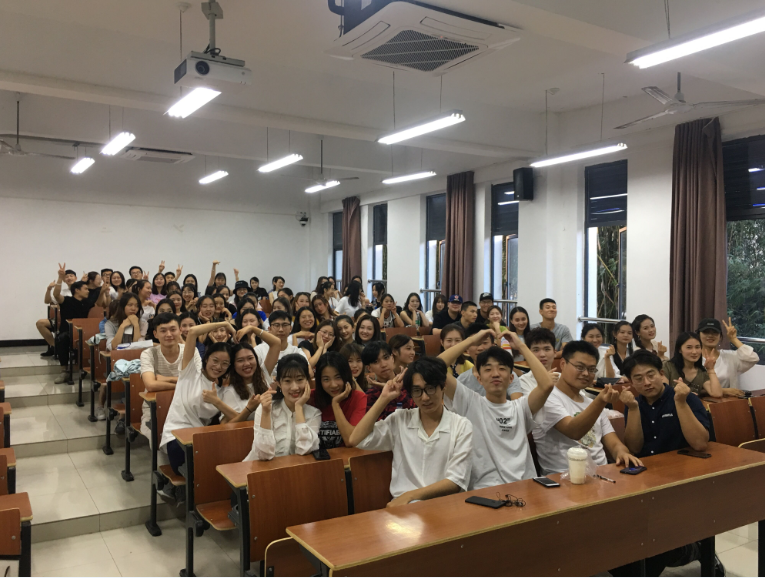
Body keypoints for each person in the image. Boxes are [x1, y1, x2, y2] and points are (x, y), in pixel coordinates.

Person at [346, 358, 473, 507]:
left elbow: (456, 481)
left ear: (443, 386)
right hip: (404, 511)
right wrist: (384, 398)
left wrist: (410, 495)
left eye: (430, 388)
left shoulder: (461, 425)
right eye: (417, 391)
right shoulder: (400, 420)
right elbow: (356, 439)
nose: (425, 397)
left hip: (444, 507)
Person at [441, 332, 554, 488]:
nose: (495, 374)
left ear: (511, 378)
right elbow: (436, 366)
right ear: (479, 379)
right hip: (485, 490)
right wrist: (471, 340)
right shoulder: (470, 402)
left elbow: (547, 385)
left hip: (525, 487)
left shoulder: (521, 407)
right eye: (488, 370)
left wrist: (521, 346)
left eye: (501, 368)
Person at [532, 341, 643, 474]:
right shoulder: (547, 398)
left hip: (601, 474)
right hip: (563, 477)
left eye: (591, 369)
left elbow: (614, 443)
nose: (586, 373)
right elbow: (573, 431)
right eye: (580, 367)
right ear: (563, 364)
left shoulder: (591, 402)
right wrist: (600, 401)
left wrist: (622, 453)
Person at [160, 321, 236, 475]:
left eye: (225, 363)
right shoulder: (190, 373)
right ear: (206, 359)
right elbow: (193, 332)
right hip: (176, 438)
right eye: (215, 360)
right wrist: (224, 323)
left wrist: (216, 402)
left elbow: (236, 417)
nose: (218, 367)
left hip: (201, 440)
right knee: (204, 469)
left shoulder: (223, 390)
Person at [620, 350, 710, 458]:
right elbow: (634, 448)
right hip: (646, 464)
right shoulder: (633, 404)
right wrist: (633, 409)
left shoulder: (686, 398)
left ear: (661, 374)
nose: (647, 383)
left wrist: (681, 403)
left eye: (651, 375)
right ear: (631, 382)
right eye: (639, 379)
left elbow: (700, 444)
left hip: (681, 462)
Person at [139, 313, 202, 450]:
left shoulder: (191, 351)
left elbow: (198, 382)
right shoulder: (148, 354)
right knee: (161, 438)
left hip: (186, 406)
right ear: (155, 334)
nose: (168, 334)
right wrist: (183, 383)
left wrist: (167, 379)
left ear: (180, 330)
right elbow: (151, 385)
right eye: (163, 331)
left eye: (173, 329)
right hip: (155, 408)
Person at [243, 354, 321, 461]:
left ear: (307, 381)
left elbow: (304, 450)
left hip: (293, 469)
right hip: (260, 468)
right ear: (279, 383)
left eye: (299, 379)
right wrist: (266, 413)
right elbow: (264, 455)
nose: (294, 387)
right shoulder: (266, 408)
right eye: (287, 381)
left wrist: (298, 407)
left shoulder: (314, 414)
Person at [204, 324, 282, 423]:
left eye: (250, 358)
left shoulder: (263, 373)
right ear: (233, 365)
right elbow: (226, 425)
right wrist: (249, 409)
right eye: (240, 360)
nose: (247, 364)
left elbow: (276, 343)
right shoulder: (230, 391)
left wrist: (252, 328)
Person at [442, 324, 522, 400]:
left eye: (485, 343)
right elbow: (439, 365)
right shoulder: (463, 380)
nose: (480, 348)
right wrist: (470, 341)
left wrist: (521, 346)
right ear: (467, 349)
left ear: (493, 345)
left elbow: (517, 404)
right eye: (476, 344)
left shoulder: (505, 375)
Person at [312, 352, 367, 448]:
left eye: (338, 377)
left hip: (347, 456)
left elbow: (350, 440)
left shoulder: (358, 398)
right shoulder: (310, 397)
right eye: (326, 379)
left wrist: (335, 404)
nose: (333, 385)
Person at [50, 263, 93, 384]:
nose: (88, 291)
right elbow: (56, 295)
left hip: (84, 332)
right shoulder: (67, 301)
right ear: (77, 290)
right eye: (85, 289)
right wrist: (60, 278)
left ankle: (89, 368)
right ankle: (64, 371)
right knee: (62, 338)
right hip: (68, 332)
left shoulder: (88, 302)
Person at [698, 317, 759, 395]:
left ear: (720, 336)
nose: (710, 335)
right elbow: (691, 388)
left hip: (729, 401)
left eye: (715, 332)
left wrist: (734, 339)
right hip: (699, 401)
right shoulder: (693, 358)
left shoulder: (729, 356)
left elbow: (753, 358)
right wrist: (724, 391)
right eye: (706, 332)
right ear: (699, 335)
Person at [362, 341, 416, 419]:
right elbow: (376, 423)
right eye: (376, 362)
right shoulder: (370, 396)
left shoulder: (409, 383)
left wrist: (397, 390)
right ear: (369, 368)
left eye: (386, 358)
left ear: (392, 358)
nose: (383, 365)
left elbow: (417, 410)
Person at [662, 332, 722, 398]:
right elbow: (662, 393)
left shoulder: (701, 372)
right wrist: (685, 395)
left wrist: (710, 369)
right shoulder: (667, 366)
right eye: (689, 347)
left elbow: (717, 393)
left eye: (697, 347)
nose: (694, 352)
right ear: (680, 350)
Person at [255, 310, 308, 384]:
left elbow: (308, 373)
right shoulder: (259, 350)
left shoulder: (296, 352)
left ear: (290, 328)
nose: (281, 329)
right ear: (269, 329)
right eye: (276, 325)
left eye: (285, 325)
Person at [38, 268, 78, 356]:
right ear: (63, 280)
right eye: (66, 277)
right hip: (61, 319)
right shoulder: (62, 292)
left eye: (71, 276)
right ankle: (56, 346)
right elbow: (47, 301)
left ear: (76, 278)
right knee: (40, 323)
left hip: (76, 319)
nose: (69, 278)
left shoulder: (81, 290)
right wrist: (49, 289)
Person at [517, 327, 559, 396]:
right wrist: (545, 383)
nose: (542, 355)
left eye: (547, 349)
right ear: (528, 354)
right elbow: (530, 403)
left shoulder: (563, 379)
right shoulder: (523, 381)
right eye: (536, 350)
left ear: (555, 353)